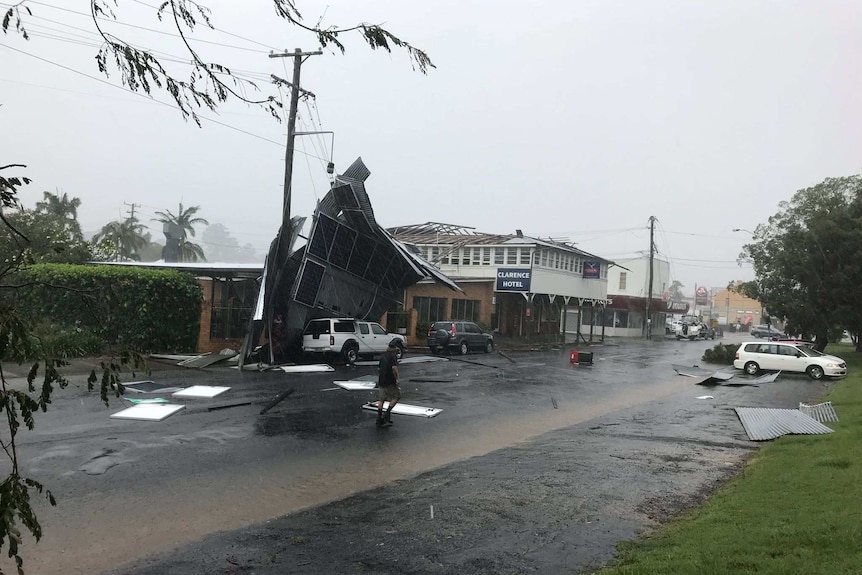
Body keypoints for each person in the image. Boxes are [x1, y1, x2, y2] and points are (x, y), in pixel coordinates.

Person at [376, 341, 401, 427]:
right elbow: (394, 368)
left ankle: (379, 417)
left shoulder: (383, 356)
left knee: (381, 399)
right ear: (394, 348)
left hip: (381, 380)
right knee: (396, 396)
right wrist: (397, 378)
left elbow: (379, 369)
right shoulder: (393, 356)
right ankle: (387, 413)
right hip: (390, 380)